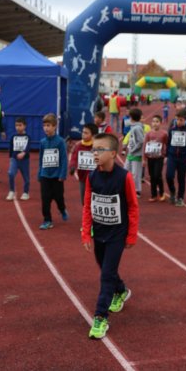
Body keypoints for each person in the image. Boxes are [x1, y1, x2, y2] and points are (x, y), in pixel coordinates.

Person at [81, 133, 138, 340]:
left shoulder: (125, 177)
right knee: (107, 270)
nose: (95, 153)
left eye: (100, 149)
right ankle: (121, 291)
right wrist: (86, 233)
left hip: (117, 235)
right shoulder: (92, 177)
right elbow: (87, 206)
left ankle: (100, 316)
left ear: (113, 153)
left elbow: (132, 206)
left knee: (106, 275)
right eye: (93, 149)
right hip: (100, 233)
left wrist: (131, 236)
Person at [38, 113, 68, 230]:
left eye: (49, 125)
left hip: (57, 176)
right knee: (45, 198)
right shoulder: (42, 142)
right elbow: (41, 158)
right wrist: (39, 173)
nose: (46, 128)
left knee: (58, 197)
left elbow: (64, 159)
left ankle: (62, 209)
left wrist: (62, 174)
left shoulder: (60, 142)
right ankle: (47, 220)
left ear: (55, 126)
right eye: (44, 125)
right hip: (45, 175)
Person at [166, 109, 186, 207]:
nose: (179, 121)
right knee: (169, 176)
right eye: (177, 119)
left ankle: (180, 197)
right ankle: (173, 191)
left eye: (181, 120)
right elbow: (168, 143)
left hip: (183, 158)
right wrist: (166, 155)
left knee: (181, 178)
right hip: (172, 156)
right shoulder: (171, 130)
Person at [69, 123, 98, 205]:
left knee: (95, 200)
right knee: (84, 201)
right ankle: (86, 217)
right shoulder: (79, 146)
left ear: (93, 135)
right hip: (83, 179)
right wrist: (72, 166)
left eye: (86, 133)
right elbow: (74, 158)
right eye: (83, 132)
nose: (83, 134)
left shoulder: (97, 146)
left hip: (96, 179)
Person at [143, 115, 168, 202]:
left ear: (160, 123)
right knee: (152, 176)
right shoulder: (148, 134)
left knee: (157, 175)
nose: (155, 123)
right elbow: (145, 146)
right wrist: (144, 159)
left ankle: (161, 193)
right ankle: (153, 194)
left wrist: (166, 156)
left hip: (159, 157)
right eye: (153, 121)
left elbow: (167, 145)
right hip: (150, 158)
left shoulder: (164, 133)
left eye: (157, 121)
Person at [6, 117, 31, 201]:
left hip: (24, 160)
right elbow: (10, 147)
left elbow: (28, 147)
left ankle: (26, 192)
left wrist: (23, 153)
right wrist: (10, 158)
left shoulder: (27, 137)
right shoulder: (13, 136)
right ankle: (11, 191)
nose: (18, 127)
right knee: (10, 173)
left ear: (25, 126)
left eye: (20, 125)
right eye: (16, 125)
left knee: (26, 178)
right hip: (15, 159)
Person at [124, 108, 144, 198]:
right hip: (130, 153)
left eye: (129, 116)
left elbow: (141, 141)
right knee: (125, 170)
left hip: (136, 154)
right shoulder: (133, 126)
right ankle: (126, 188)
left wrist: (133, 150)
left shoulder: (138, 128)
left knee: (135, 174)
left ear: (131, 117)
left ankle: (137, 191)